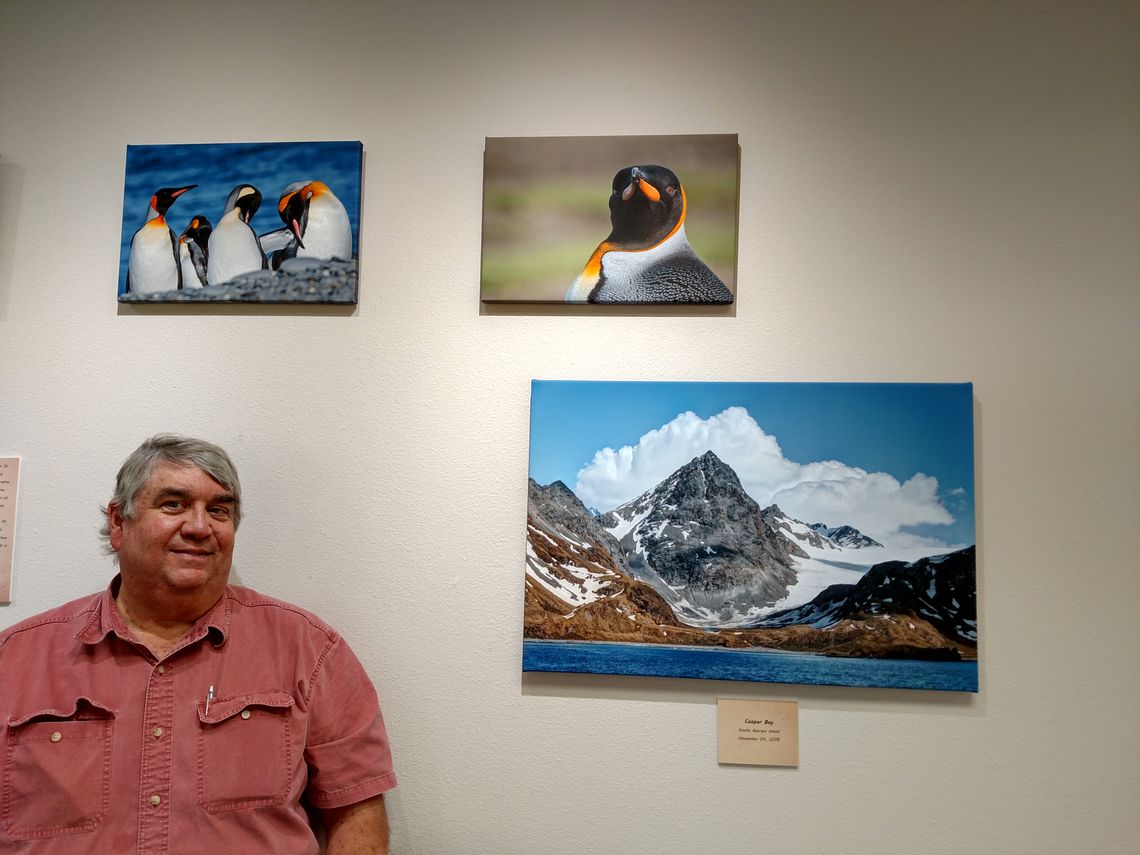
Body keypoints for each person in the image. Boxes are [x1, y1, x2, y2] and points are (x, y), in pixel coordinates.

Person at [0, 435, 396, 854]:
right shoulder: (15, 659)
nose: (199, 527)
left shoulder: (309, 651)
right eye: (173, 504)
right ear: (119, 522)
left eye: (219, 510)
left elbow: (356, 811)